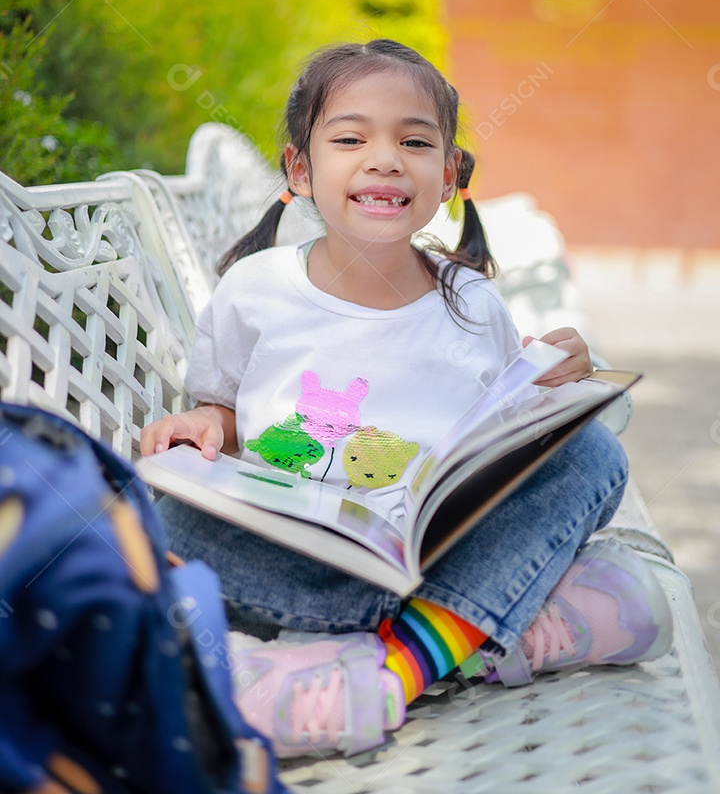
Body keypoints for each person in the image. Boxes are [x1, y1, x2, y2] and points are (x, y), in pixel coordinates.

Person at [141, 39, 672, 760]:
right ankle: (484, 635)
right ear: (300, 170)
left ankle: (385, 675)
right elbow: (223, 413)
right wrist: (202, 427)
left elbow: (515, 439)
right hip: (301, 568)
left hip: (439, 564)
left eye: (415, 142)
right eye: (351, 139)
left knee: (594, 456)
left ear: (449, 175)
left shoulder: (472, 304)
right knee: (167, 521)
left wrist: (570, 378)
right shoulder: (256, 290)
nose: (385, 159)